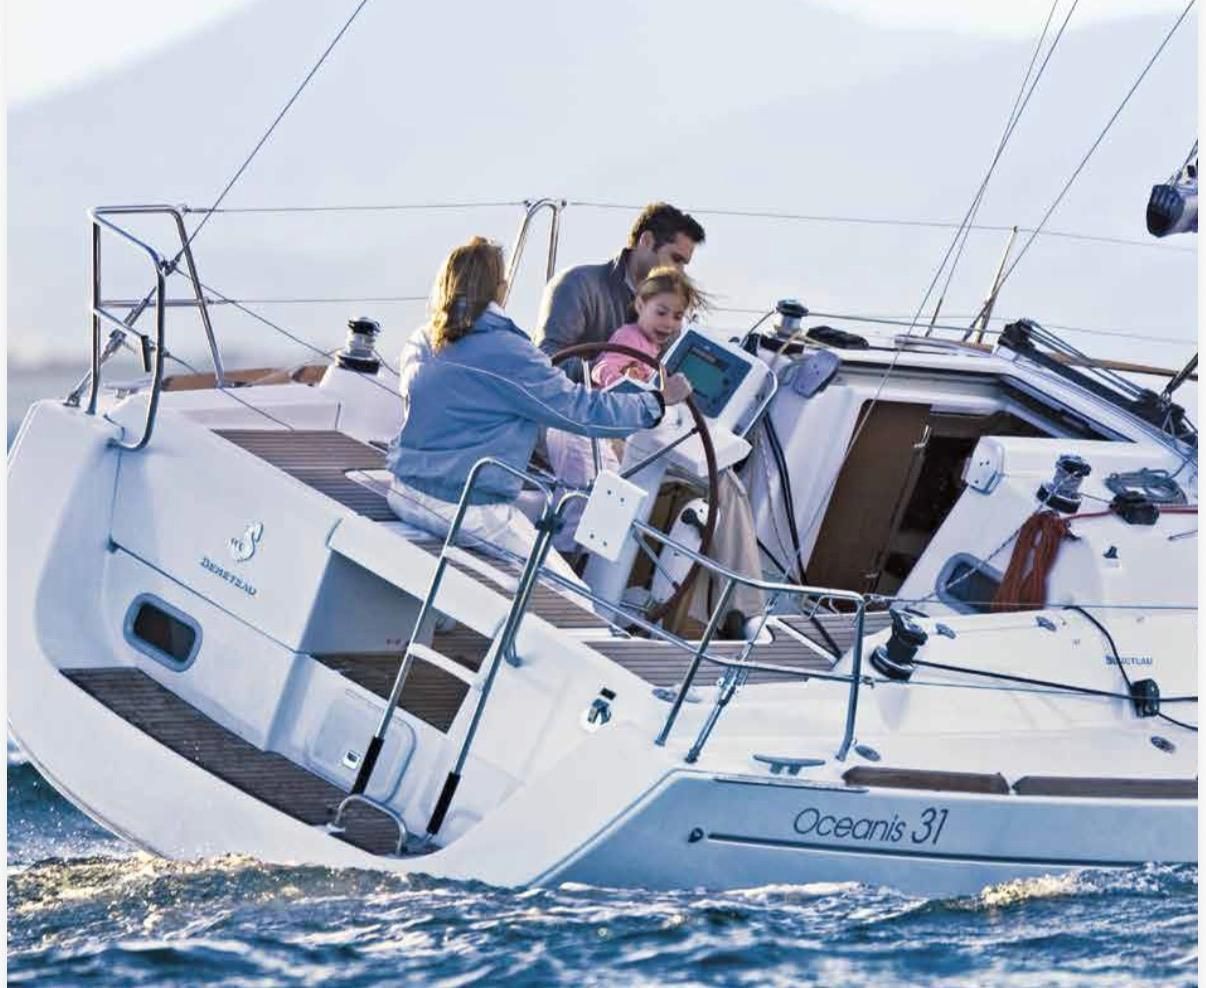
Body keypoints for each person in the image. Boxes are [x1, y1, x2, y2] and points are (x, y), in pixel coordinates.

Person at [386, 236, 692, 579]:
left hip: (404, 491)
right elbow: (580, 410)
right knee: (575, 598)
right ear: (501, 290)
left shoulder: (421, 338)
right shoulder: (509, 352)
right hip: (465, 508)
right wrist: (656, 402)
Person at [546, 267, 707, 554]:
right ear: (640, 305)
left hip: (592, 437)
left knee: (589, 509)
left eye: (677, 315)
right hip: (580, 433)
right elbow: (606, 369)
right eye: (661, 311)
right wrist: (629, 383)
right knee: (585, 511)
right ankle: (553, 573)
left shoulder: (651, 351)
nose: (669, 322)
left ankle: (557, 566)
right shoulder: (630, 338)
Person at [536, 202, 706, 380]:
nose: (679, 272)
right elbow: (544, 359)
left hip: (634, 407)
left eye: (683, 264)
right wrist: (611, 372)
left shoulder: (669, 317)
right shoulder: (577, 284)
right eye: (675, 259)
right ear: (646, 241)